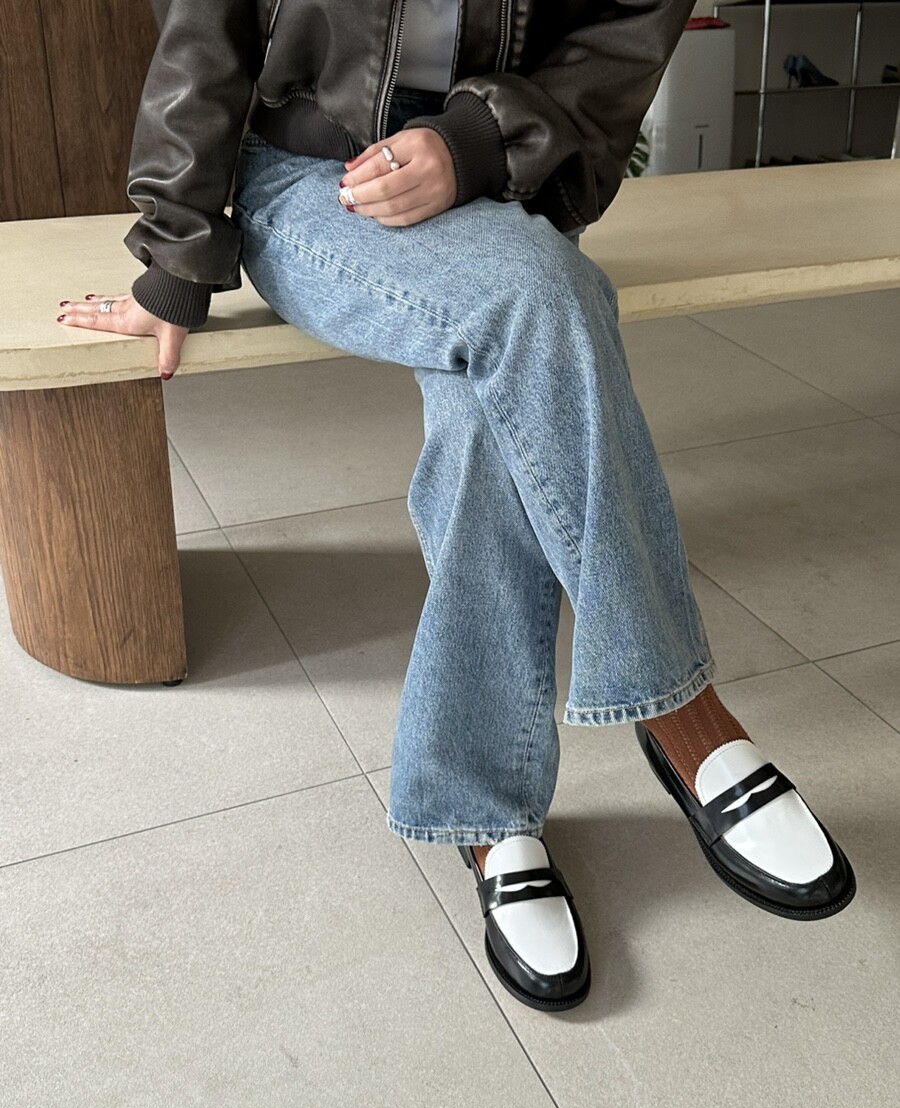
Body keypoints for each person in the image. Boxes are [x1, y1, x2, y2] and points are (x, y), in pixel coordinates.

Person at [56, 0, 856, 1012]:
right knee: (541, 300)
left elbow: (623, 30)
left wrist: (475, 141)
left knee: (496, 388)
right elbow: (205, 31)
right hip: (307, 179)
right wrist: (177, 256)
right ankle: (683, 713)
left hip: (507, 177)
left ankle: (485, 813)